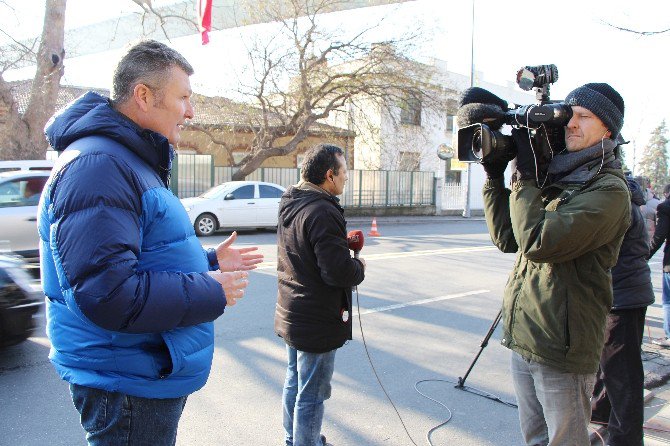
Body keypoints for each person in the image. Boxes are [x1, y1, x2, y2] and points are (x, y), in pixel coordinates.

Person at [38, 40, 262, 446]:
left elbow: (139, 256)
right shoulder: (99, 167)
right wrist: (208, 289)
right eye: (183, 98)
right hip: (127, 382)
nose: (191, 111)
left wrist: (207, 262)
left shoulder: (125, 160)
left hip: (140, 372)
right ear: (143, 95)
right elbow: (105, 292)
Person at [480, 82, 630, 445]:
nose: (572, 125)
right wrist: (494, 178)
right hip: (527, 335)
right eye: (570, 116)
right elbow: (508, 238)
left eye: (585, 117)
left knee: (565, 441)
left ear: (607, 129)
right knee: (535, 438)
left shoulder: (608, 191)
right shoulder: (559, 175)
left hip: (562, 347)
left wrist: (527, 180)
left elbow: (537, 242)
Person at [274, 143, 366, 446]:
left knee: (295, 381)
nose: (346, 179)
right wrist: (358, 266)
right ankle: (306, 441)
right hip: (316, 318)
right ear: (329, 175)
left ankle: (295, 437)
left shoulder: (291, 201)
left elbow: (309, 255)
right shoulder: (323, 210)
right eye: (344, 174)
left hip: (292, 311)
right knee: (312, 393)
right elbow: (336, 272)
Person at [590, 173, 654, 446]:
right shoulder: (625, 197)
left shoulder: (617, 200)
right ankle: (604, 419)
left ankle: (624, 438)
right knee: (610, 368)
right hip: (624, 294)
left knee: (621, 374)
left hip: (622, 298)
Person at [649, 184, 670, 347]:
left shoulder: (665, 207)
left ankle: (669, 335)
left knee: (668, 300)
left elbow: (659, 236)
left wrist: (644, 256)